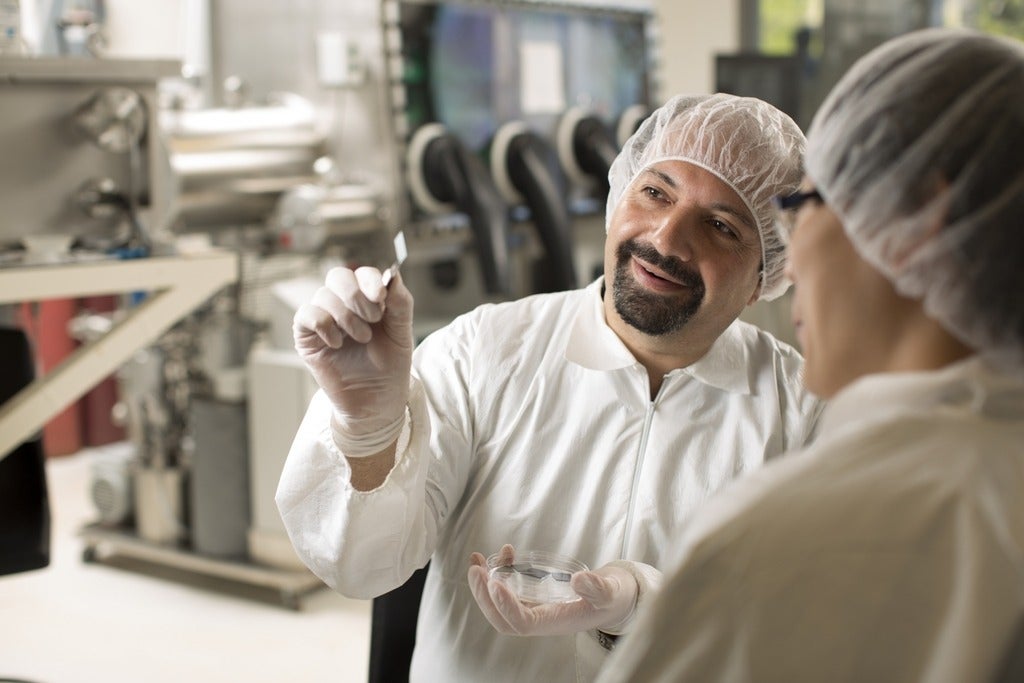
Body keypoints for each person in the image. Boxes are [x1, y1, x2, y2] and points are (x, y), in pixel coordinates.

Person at [276, 93, 822, 682]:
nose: (666, 240)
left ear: (765, 275)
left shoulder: (804, 412)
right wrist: (368, 427)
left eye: (720, 226)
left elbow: (817, 625)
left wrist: (643, 601)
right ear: (618, 200)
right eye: (656, 193)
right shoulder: (483, 352)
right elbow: (359, 566)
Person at [595, 28, 1024, 683]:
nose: (791, 259)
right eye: (655, 192)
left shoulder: (787, 541)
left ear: (919, 217)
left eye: (801, 203)